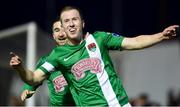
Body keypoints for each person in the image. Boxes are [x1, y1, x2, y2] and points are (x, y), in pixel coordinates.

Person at [10, 6, 179, 107]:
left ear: (82, 23)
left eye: (74, 19)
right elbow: (33, 78)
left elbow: (134, 42)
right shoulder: (55, 56)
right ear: (62, 27)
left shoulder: (99, 39)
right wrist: (19, 68)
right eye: (66, 21)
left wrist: (161, 36)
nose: (71, 24)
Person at [17, 20, 75, 106]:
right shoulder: (47, 61)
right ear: (54, 36)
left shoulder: (83, 55)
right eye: (57, 30)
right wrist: (27, 89)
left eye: (63, 29)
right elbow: (34, 78)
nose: (61, 33)